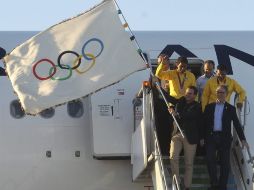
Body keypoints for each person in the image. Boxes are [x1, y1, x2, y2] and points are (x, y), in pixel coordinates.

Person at [201, 85, 249, 190]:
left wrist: (243, 139)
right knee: (210, 160)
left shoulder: (231, 109)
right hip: (211, 137)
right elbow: (204, 124)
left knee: (225, 163)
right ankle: (214, 184)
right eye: (218, 92)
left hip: (224, 138)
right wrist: (202, 137)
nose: (219, 94)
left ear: (226, 94)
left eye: (222, 92)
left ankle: (222, 186)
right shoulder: (209, 107)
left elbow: (237, 124)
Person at [167, 86, 202, 190]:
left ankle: (187, 186)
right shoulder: (180, 102)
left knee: (189, 163)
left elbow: (189, 116)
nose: (187, 95)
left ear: (195, 96)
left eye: (190, 93)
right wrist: (157, 86)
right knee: (173, 157)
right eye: (187, 93)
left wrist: (176, 113)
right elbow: (170, 99)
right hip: (177, 134)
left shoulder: (197, 106)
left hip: (190, 137)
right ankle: (176, 182)